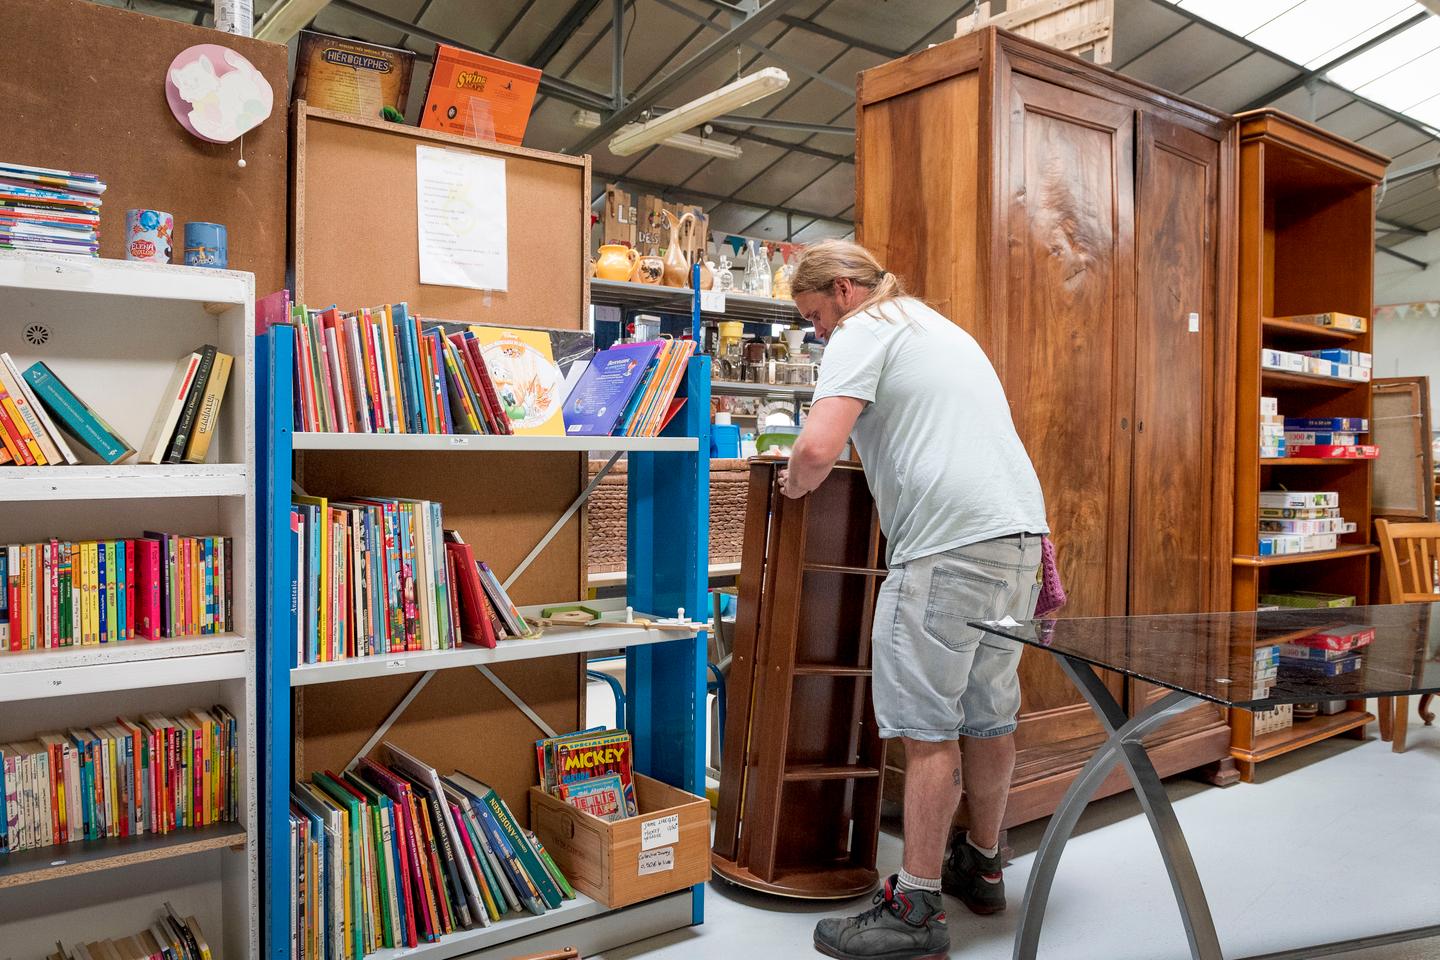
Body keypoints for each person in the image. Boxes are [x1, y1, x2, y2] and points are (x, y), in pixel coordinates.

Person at [780, 240, 1048, 960]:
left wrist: (795, 483)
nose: (819, 334)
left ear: (843, 289)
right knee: (988, 717)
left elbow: (815, 450)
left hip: (947, 547)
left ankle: (916, 904)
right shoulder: (937, 326)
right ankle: (982, 863)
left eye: (816, 319)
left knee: (928, 730)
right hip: (1019, 539)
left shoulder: (865, 329)